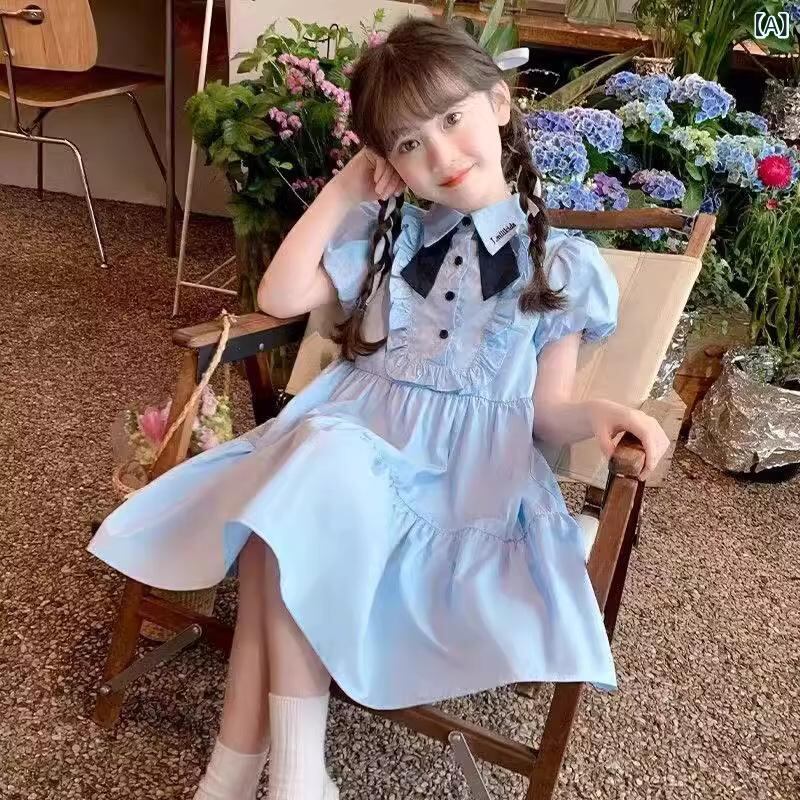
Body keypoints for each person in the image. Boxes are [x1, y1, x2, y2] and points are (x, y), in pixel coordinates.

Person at [88, 17, 670, 800]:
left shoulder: (560, 263)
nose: (441, 154)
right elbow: (279, 297)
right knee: (293, 501)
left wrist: (595, 414)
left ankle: (251, 773)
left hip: (454, 483)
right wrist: (343, 189)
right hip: (344, 449)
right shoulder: (392, 237)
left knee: (287, 510)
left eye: (453, 119)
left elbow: (545, 414)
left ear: (500, 105)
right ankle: (279, 777)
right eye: (407, 144)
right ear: (386, 161)